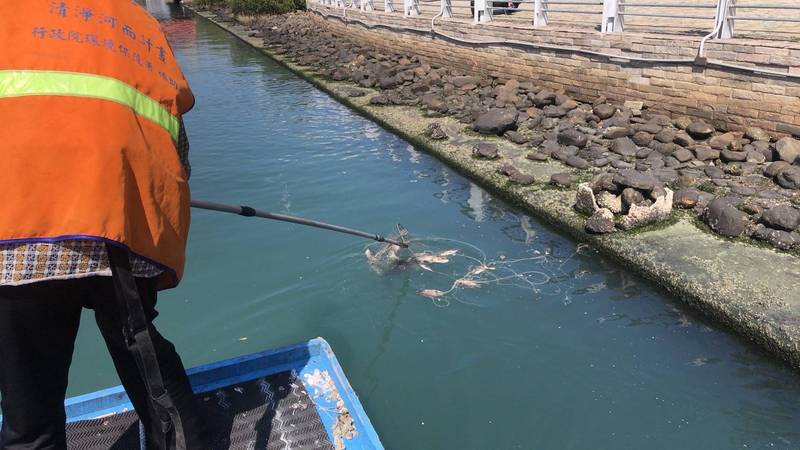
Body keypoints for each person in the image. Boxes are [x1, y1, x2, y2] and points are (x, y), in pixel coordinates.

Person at [0, 1, 208, 449]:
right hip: (120, 229)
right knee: (145, 359)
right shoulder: (138, 23)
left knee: (29, 398)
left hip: (16, 235)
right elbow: (175, 147)